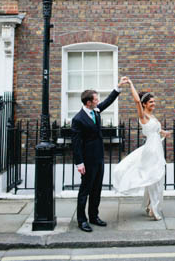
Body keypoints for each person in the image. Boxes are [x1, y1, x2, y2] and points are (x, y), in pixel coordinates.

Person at [71, 76, 129, 233]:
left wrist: (118, 87)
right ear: (88, 102)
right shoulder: (78, 119)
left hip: (99, 158)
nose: (98, 101)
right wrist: (79, 163)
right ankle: (81, 220)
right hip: (87, 161)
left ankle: (93, 216)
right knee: (85, 191)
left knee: (96, 189)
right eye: (96, 99)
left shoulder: (95, 111)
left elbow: (108, 102)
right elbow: (76, 144)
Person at [112, 79, 170, 220]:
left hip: (157, 149)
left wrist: (163, 132)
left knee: (155, 178)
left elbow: (155, 128)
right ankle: (154, 210)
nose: (153, 104)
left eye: (154, 101)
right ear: (144, 104)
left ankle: (150, 206)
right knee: (154, 178)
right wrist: (131, 85)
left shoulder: (152, 116)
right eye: (151, 102)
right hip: (151, 150)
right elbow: (137, 102)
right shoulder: (142, 116)